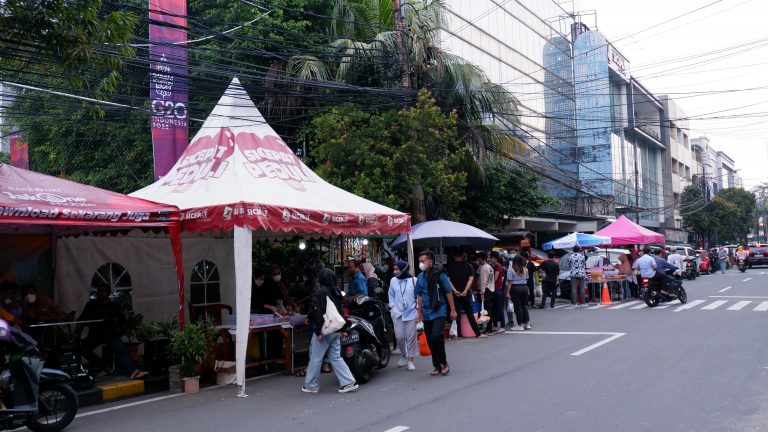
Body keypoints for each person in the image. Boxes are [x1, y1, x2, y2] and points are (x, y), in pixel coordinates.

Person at [302, 268, 358, 393]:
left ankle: (311, 385)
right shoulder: (337, 291)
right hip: (335, 330)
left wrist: (318, 332)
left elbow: (318, 312)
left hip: (325, 330)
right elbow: (339, 313)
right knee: (335, 357)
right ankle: (348, 382)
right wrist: (343, 329)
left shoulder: (321, 292)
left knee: (316, 357)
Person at [79, 283, 148, 379]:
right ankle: (104, 367)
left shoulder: (113, 305)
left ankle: (134, 371)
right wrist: (77, 334)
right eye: (99, 291)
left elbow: (121, 319)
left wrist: (123, 331)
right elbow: (82, 320)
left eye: (103, 291)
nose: (100, 293)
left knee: (121, 349)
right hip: (95, 333)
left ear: (108, 293)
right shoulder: (91, 305)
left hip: (110, 333)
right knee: (83, 349)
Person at [415, 250, 457, 376]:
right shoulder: (420, 277)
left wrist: (453, 310)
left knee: (436, 336)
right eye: (419, 261)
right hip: (427, 311)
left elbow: (448, 292)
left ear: (430, 262)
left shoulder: (439, 274)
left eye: (423, 261)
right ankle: (437, 365)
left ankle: (444, 363)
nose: (421, 263)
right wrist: (419, 312)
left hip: (439, 309)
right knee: (430, 339)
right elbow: (420, 295)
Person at [388, 260, 418, 371]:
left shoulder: (414, 280)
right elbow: (391, 295)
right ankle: (404, 355)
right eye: (394, 269)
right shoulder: (393, 281)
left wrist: (418, 310)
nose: (395, 271)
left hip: (411, 312)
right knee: (399, 337)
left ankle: (410, 360)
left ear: (404, 269)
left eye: (397, 269)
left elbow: (418, 296)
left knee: (411, 337)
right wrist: (392, 307)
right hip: (398, 312)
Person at [445, 251, 481, 338]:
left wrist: (454, 290)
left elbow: (448, 280)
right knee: (470, 314)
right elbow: (471, 279)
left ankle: (458, 333)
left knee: (455, 313)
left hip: (455, 294)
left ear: (454, 256)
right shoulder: (468, 266)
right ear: (463, 256)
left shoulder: (449, 266)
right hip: (466, 294)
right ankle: (478, 333)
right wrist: (465, 290)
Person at [506, 255, 530, 331]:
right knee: (524, 306)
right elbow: (527, 279)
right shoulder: (525, 269)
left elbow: (510, 282)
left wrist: (507, 292)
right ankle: (527, 323)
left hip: (515, 288)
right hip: (524, 287)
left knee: (517, 307)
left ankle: (520, 324)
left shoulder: (511, 269)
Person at [475, 252, 495, 333]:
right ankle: (489, 327)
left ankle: (488, 328)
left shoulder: (483, 268)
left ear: (480, 258)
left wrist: (482, 293)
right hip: (490, 289)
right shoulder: (490, 267)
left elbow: (483, 281)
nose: (477, 260)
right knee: (488, 309)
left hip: (485, 290)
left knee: (486, 310)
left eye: (478, 258)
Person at [490, 251, 507, 330]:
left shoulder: (497, 266)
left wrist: (490, 284)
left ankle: (502, 326)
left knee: (499, 308)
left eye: (491, 257)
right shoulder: (495, 265)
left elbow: (495, 278)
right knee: (495, 308)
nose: (490, 259)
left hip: (497, 289)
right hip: (496, 289)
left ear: (495, 258)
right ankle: (495, 325)